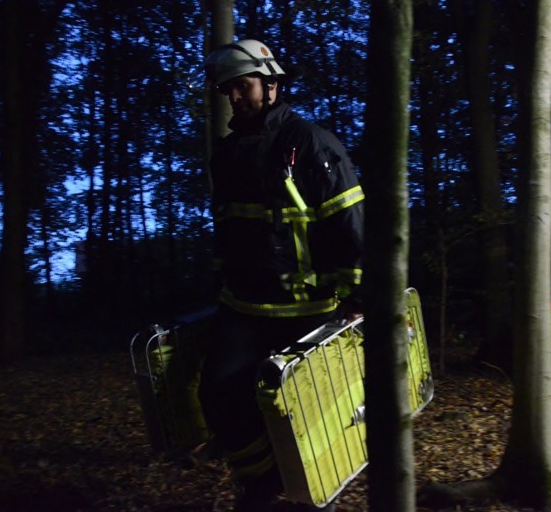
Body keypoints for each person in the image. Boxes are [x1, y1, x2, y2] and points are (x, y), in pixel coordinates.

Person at [198, 39, 364, 511]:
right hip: (243, 307)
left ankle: (313, 500)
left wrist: (357, 299)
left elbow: (349, 223)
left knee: (309, 415)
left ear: (271, 84)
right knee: (220, 393)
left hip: (308, 309)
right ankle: (262, 489)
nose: (235, 97)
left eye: (243, 86)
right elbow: (227, 227)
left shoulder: (310, 142)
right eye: (228, 90)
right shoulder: (226, 153)